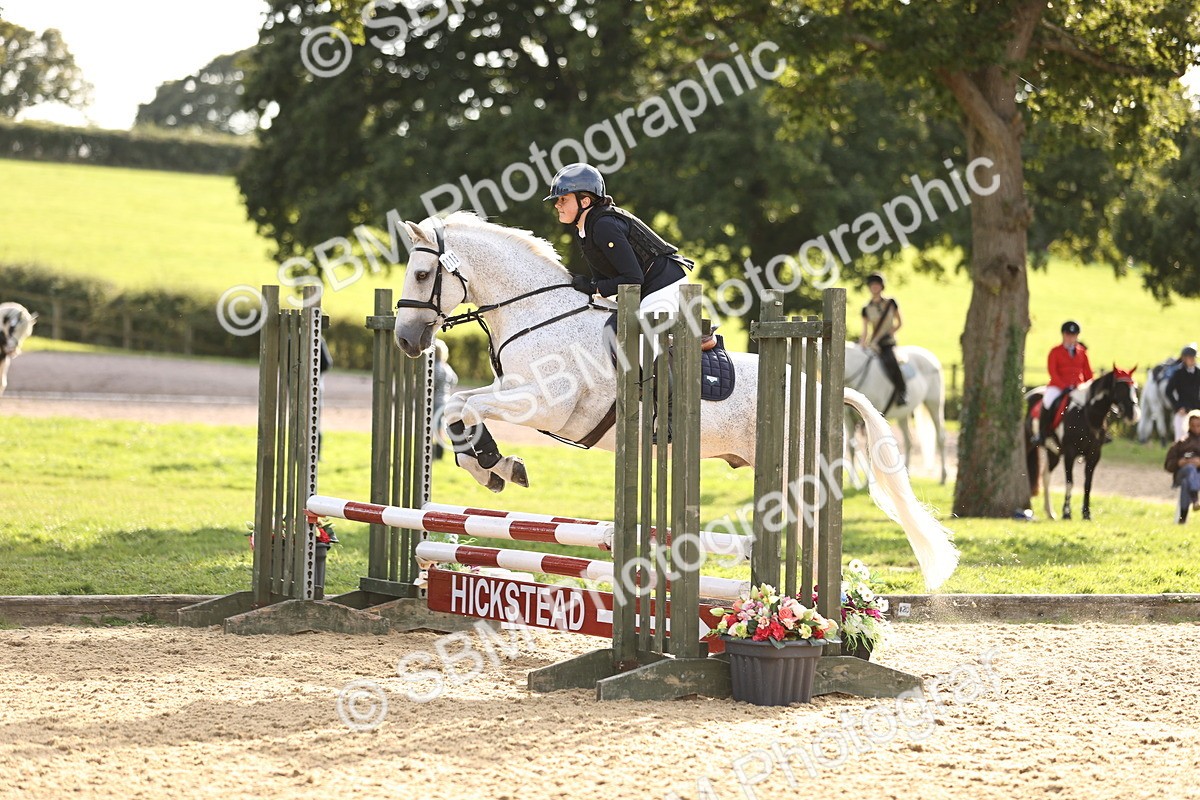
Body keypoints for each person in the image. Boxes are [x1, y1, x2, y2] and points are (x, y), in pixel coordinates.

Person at [544, 162, 692, 316]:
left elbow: (633, 278)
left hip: (663, 285)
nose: (557, 205)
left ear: (584, 201)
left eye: (563, 199)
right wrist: (590, 285)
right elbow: (605, 277)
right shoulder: (584, 229)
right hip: (641, 289)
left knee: (623, 329)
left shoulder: (603, 226)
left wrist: (594, 287)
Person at [1032, 320, 1093, 447]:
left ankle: (1097, 432)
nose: (1071, 338)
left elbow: (1088, 374)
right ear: (1063, 335)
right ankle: (1042, 434)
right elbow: (1053, 372)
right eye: (1068, 335)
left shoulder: (1082, 352)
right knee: (1047, 401)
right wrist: (1064, 386)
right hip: (1058, 387)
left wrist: (1089, 387)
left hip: (1078, 388)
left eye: (1074, 335)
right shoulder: (1055, 351)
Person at [859, 272, 905, 409]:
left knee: (892, 363)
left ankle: (902, 392)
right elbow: (865, 330)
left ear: (881, 286)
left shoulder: (891, 303)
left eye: (877, 285)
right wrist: (862, 344)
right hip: (875, 345)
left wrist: (891, 332)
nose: (874, 287)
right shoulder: (866, 309)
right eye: (872, 285)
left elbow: (899, 323)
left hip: (888, 343)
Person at [1164, 410, 1200, 524]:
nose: (1196, 428)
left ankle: (1182, 519)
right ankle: (1195, 499)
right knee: (1189, 469)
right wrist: (1179, 462)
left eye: (1198, 425)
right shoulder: (1181, 443)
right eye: (1193, 425)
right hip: (1182, 472)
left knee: (1186, 482)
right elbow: (1168, 465)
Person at [1166, 344, 1200, 442]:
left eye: (1194, 357)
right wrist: (1177, 407)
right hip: (1183, 410)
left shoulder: (1198, 372)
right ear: (1184, 359)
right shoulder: (1178, 373)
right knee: (1181, 439)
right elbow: (1168, 391)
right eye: (1190, 357)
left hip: (1196, 411)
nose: (1193, 360)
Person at [431, 339, 458, 460]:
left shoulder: (434, 367)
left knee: (432, 426)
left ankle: (433, 451)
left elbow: (432, 383)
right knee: (440, 426)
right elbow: (454, 381)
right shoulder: (447, 367)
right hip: (445, 400)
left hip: (435, 400)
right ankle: (440, 450)